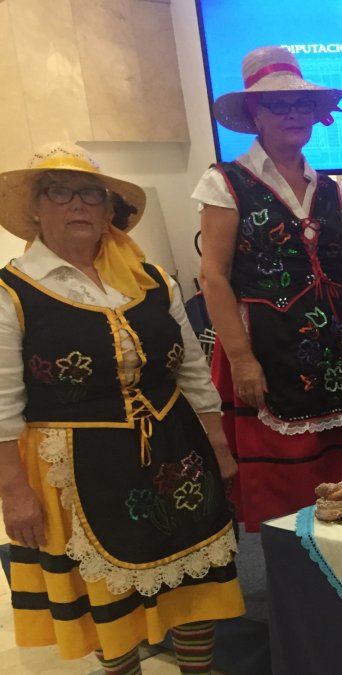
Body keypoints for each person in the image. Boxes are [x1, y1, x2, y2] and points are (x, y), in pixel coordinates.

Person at [0, 142, 243, 673]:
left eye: (91, 193)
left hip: (176, 447)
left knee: (195, 577)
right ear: (36, 209)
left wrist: (220, 446)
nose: (77, 204)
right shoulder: (11, 290)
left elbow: (194, 372)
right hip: (80, 466)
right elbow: (2, 404)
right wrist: (13, 490)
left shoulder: (153, 280)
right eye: (58, 192)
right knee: (109, 597)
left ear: (110, 209)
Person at [194, 46, 342, 532]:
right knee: (287, 499)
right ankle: (296, 585)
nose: (293, 114)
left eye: (301, 104)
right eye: (278, 105)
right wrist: (240, 358)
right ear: (255, 114)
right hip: (268, 350)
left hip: (340, 354)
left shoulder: (329, 189)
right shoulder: (226, 183)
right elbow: (213, 275)